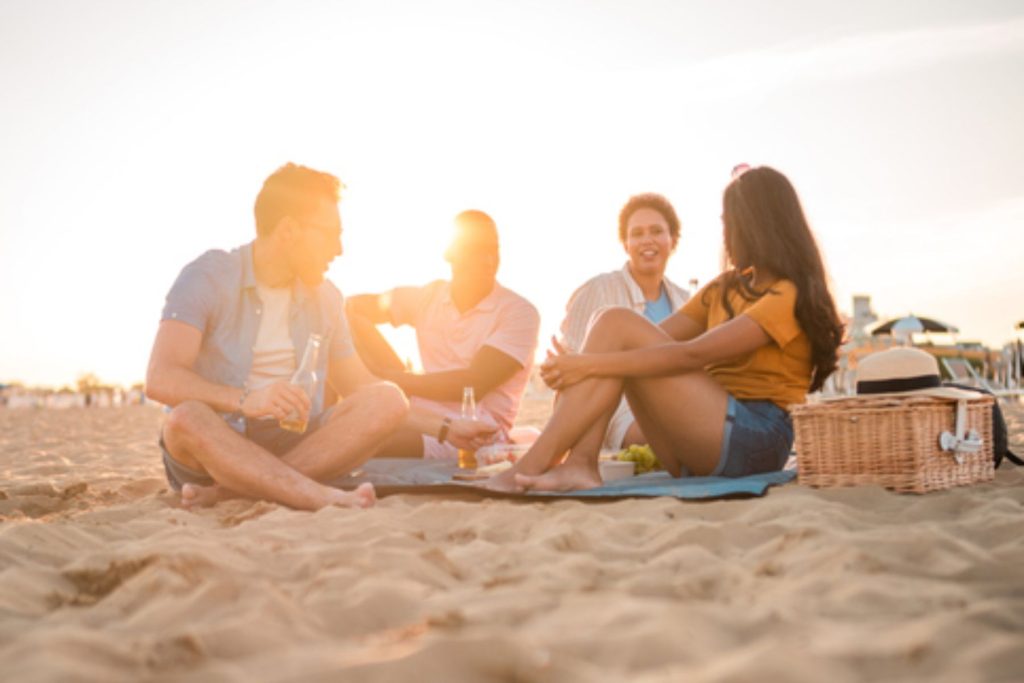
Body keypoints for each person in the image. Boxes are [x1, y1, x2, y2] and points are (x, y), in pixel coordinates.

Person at [146, 163, 494, 511]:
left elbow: (360, 385)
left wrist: (446, 428)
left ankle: (235, 494)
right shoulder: (209, 276)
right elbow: (161, 377)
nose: (339, 249)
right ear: (288, 231)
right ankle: (312, 493)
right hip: (216, 448)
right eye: (331, 234)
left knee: (387, 398)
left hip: (296, 444)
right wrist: (245, 400)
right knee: (186, 418)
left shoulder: (326, 298)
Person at [487, 166, 844, 492]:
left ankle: (537, 464)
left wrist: (587, 365)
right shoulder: (724, 289)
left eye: (729, 223)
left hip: (756, 441)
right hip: (699, 443)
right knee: (612, 322)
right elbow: (647, 340)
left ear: (756, 225)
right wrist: (581, 364)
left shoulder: (787, 296)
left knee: (616, 329)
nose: (726, 234)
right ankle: (579, 464)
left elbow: (692, 354)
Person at [346, 210, 541, 459]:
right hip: (416, 413)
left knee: (365, 439)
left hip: (475, 433)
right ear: (449, 253)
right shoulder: (429, 296)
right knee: (344, 317)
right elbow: (352, 307)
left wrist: (388, 381)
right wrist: (367, 369)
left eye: (493, 249)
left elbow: (473, 384)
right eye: (476, 250)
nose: (488, 260)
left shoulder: (519, 312)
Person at [556, 193, 689, 451]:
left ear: (672, 240)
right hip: (618, 409)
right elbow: (571, 369)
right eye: (637, 233)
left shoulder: (685, 301)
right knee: (670, 434)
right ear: (626, 244)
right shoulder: (598, 290)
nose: (646, 240)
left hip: (677, 403)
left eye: (656, 231)